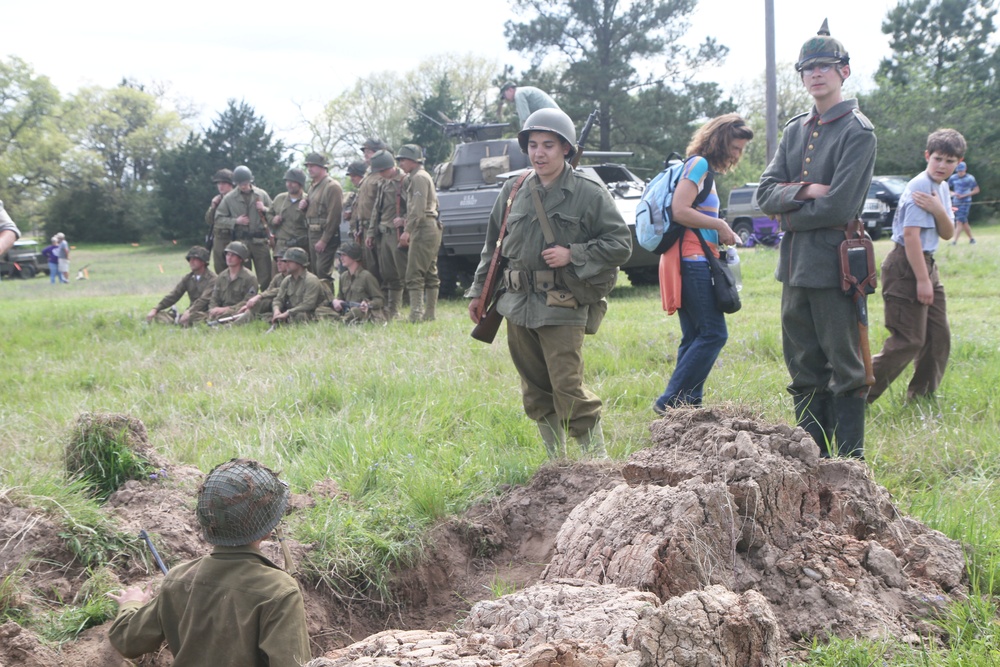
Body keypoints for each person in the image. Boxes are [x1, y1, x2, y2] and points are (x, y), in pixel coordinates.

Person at [467, 108, 632, 459]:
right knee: (535, 390)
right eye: (533, 145)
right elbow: (493, 247)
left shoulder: (588, 192)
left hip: (562, 303)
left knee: (567, 386)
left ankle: (596, 464)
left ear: (566, 149)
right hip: (517, 304)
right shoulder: (513, 189)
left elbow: (621, 244)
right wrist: (478, 292)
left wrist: (573, 253)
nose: (539, 153)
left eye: (548, 145)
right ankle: (555, 466)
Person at [757, 20, 877, 459]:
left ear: (844, 71)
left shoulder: (857, 131)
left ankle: (849, 468)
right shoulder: (794, 130)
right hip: (794, 266)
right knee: (803, 367)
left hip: (835, 265)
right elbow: (763, 194)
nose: (816, 74)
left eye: (825, 66)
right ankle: (813, 462)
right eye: (808, 68)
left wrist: (788, 212)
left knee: (846, 368)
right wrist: (806, 190)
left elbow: (840, 207)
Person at [107, 458, 311, 667]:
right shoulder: (279, 591)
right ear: (268, 530)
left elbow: (127, 641)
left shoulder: (177, 579)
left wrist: (131, 604)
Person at [653, 115, 753, 414]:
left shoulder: (701, 169)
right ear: (720, 141)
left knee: (695, 335)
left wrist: (721, 232)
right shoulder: (698, 165)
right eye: (735, 148)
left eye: (741, 150)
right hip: (691, 261)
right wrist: (720, 224)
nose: (737, 155)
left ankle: (687, 409)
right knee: (714, 333)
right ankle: (670, 401)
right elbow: (680, 210)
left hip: (691, 259)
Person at [869, 129, 963, 404]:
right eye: (938, 159)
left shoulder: (941, 188)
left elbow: (947, 233)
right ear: (927, 156)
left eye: (950, 161)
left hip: (928, 264)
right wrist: (922, 280)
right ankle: (855, 396)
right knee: (908, 339)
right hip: (907, 266)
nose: (943, 166)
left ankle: (921, 398)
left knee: (938, 336)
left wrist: (937, 209)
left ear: (959, 162)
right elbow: (910, 236)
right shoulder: (920, 186)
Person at [396, 144, 442, 322]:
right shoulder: (419, 176)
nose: (400, 163)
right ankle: (429, 314)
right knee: (430, 272)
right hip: (428, 226)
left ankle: (416, 314)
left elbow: (418, 208)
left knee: (414, 273)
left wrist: (407, 230)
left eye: (403, 160)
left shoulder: (419, 178)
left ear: (413, 160)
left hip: (423, 227)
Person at [215, 165, 273, 290]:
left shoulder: (261, 194)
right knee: (243, 277)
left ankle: (266, 304)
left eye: (246, 182)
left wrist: (264, 209)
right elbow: (218, 219)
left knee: (266, 276)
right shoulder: (229, 198)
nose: (243, 185)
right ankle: (244, 302)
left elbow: (274, 215)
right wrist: (236, 221)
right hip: (241, 243)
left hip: (260, 242)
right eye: (240, 183)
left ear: (250, 181)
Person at [365, 150, 408, 319]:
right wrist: (371, 233)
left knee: (403, 274)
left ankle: (409, 308)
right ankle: (392, 309)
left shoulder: (404, 181)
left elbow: (414, 205)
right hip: (383, 233)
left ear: (390, 167)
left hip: (397, 234)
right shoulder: (384, 182)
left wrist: (404, 220)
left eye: (382, 171)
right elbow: (377, 209)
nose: (380, 174)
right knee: (388, 274)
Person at [146, 246, 216, 326]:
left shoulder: (212, 279)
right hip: (190, 312)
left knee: (195, 318)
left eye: (195, 259)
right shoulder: (188, 278)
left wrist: (190, 311)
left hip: (204, 313)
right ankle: (177, 323)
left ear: (203, 262)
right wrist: (156, 309)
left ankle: (180, 323)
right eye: (190, 259)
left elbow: (203, 300)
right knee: (159, 315)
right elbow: (174, 295)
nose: (191, 261)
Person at [301, 152, 343, 285]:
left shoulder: (332, 186)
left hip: (324, 235)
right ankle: (318, 301)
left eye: (313, 166)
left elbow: (334, 216)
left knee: (323, 272)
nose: (310, 169)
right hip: (312, 233)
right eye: (308, 166)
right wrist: (304, 207)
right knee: (314, 272)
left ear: (323, 167)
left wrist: (324, 240)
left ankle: (328, 302)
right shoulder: (313, 187)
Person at [194, 241, 258, 324]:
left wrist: (226, 309)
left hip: (237, 311)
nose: (229, 258)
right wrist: (212, 310)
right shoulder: (221, 276)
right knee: (194, 316)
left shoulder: (250, 278)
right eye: (227, 254)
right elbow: (214, 297)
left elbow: (247, 302)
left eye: (233, 255)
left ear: (240, 258)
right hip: (220, 311)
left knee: (237, 316)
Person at [272, 247, 336, 323]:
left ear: (299, 263)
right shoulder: (287, 280)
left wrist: (287, 313)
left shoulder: (311, 280)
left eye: (289, 261)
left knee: (300, 316)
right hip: (293, 312)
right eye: (285, 261)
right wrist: (276, 310)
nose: (286, 264)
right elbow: (278, 299)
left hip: (309, 313)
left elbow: (308, 305)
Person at [332, 242, 385, 324]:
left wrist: (368, 304)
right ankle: (340, 319)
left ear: (353, 256)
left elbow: (380, 300)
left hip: (361, 311)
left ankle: (339, 321)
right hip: (346, 309)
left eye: (344, 255)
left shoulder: (366, 276)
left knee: (355, 311)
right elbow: (340, 297)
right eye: (340, 255)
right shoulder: (343, 276)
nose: (341, 258)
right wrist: (336, 301)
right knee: (322, 309)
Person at [268, 168, 310, 258]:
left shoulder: (308, 200)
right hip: (282, 245)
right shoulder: (279, 198)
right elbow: (269, 214)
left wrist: (306, 209)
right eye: (287, 181)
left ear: (300, 183)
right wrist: (273, 220)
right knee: (277, 271)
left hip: (301, 245)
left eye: (293, 182)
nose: (289, 184)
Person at [207, 169, 235, 273]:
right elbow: (209, 220)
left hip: (233, 237)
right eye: (218, 183)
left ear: (231, 184)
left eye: (223, 183)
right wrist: (213, 206)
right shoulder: (217, 199)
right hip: (218, 239)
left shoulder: (236, 199)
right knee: (220, 271)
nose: (220, 186)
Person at [948, 161, 979, 244]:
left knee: (959, 221)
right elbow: (946, 189)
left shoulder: (970, 178)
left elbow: (976, 190)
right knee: (964, 221)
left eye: (961, 170)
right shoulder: (953, 178)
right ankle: (972, 239)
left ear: (965, 169)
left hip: (966, 202)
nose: (960, 172)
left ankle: (954, 241)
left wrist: (965, 195)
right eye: (958, 171)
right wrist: (954, 193)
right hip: (956, 202)